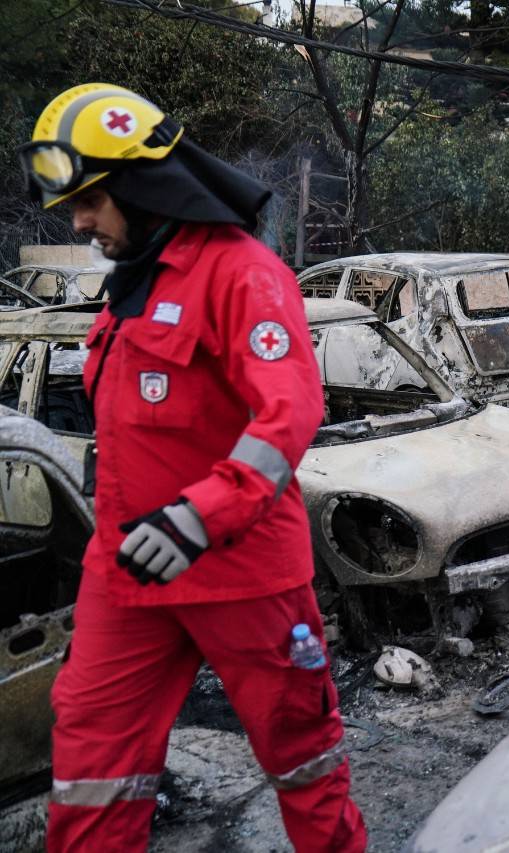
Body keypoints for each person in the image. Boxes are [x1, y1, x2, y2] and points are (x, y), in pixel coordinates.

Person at [18, 83, 367, 852]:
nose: (78, 221)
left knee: (304, 755)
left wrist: (198, 515)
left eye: (90, 200)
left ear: (141, 187)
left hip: (243, 575)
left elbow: (289, 414)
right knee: (90, 766)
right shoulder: (130, 287)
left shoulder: (243, 274)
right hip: (130, 573)